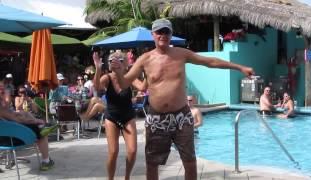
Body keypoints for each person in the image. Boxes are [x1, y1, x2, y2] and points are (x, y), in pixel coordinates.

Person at [109, 18, 254, 180]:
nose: (163, 35)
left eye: (166, 31)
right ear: (153, 35)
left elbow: (210, 61)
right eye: (159, 32)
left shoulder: (181, 54)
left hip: (182, 117)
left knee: (190, 162)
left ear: (171, 34)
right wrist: (118, 72)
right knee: (152, 163)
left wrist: (240, 67)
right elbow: (125, 83)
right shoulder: (145, 59)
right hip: (157, 119)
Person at [93, 50, 147, 180]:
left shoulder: (129, 78)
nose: (116, 63)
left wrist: (148, 72)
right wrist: (98, 69)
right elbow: (96, 87)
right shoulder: (107, 78)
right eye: (112, 61)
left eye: (120, 61)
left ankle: (127, 177)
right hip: (112, 118)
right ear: (109, 64)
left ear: (126, 64)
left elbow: (142, 87)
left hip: (128, 117)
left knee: (133, 151)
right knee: (113, 152)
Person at [0, 80, 57, 171]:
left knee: (26, 116)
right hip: (12, 139)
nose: (7, 93)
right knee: (41, 129)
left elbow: (11, 115)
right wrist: (35, 121)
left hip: (2, 139)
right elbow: (17, 119)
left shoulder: (3, 107)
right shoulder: (2, 107)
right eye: (3, 91)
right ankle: (46, 161)